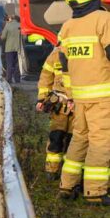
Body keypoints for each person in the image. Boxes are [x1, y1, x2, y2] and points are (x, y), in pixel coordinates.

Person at [58, 0, 110, 204]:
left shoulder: (67, 27)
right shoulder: (104, 19)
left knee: (80, 139)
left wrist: (70, 95)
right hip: (103, 96)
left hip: (80, 97)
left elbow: (64, 63)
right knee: (101, 141)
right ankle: (96, 191)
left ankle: (67, 185)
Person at [36, 43, 73, 177]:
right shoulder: (55, 55)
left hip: (77, 105)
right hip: (59, 105)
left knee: (73, 140)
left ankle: (68, 172)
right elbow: (45, 77)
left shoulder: (80, 54)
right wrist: (42, 98)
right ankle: (52, 169)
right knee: (56, 137)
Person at [1, 14, 21, 84]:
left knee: (10, 64)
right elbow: (24, 37)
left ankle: (9, 79)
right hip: (18, 48)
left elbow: (3, 37)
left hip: (9, 48)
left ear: (11, 19)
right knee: (17, 64)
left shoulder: (8, 25)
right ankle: (17, 79)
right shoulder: (20, 25)